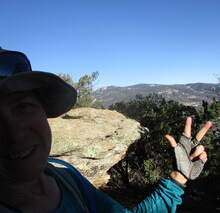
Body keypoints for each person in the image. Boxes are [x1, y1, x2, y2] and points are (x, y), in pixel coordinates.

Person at [0, 46, 212, 213]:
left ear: (43, 111)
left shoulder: (64, 176)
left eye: (22, 107)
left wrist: (178, 178)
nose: (14, 133)